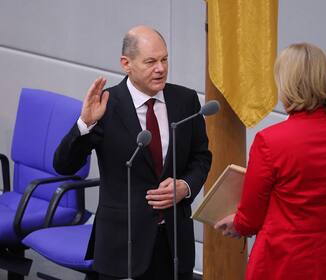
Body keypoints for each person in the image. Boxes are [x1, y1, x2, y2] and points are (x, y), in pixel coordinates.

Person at [53, 25, 212, 280]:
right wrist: (84, 124)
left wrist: (186, 185)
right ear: (126, 64)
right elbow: (64, 165)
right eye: (151, 61)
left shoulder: (185, 100)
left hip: (173, 244)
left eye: (164, 59)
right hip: (121, 245)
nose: (161, 68)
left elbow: (201, 156)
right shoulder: (106, 106)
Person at [214, 43, 326, 280]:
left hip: (289, 264)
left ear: (286, 83)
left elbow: (251, 216)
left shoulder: (271, 140)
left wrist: (239, 224)